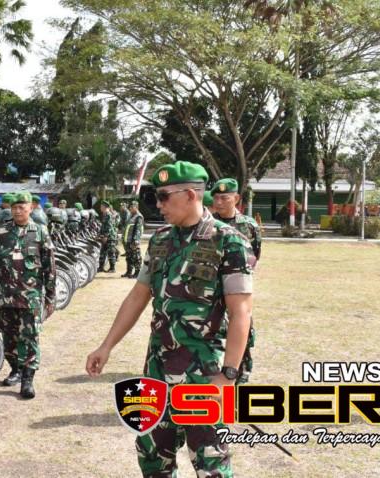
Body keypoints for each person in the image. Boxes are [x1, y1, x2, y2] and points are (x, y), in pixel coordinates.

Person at [86, 161, 255, 478]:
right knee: (151, 454)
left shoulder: (229, 242)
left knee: (210, 463)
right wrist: (106, 346)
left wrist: (228, 375)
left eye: (163, 196)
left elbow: (241, 312)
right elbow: (138, 295)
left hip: (204, 374)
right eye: (155, 196)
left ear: (191, 195)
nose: (158, 204)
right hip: (158, 369)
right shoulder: (161, 239)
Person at [0, 191, 56, 399]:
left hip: (30, 296)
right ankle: (15, 369)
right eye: (14, 207)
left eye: (21, 207)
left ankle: (27, 380)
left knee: (29, 337)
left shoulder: (40, 232)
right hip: (6, 296)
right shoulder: (1, 232)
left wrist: (50, 296)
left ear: (30, 208)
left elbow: (49, 266)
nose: (17, 211)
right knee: (9, 337)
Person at [211, 178, 262, 261]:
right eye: (216, 198)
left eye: (224, 198)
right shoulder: (207, 222)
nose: (219, 202)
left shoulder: (250, 225)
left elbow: (255, 255)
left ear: (236, 199)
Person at [121, 200, 144, 278]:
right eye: (130, 207)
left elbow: (138, 230)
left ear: (136, 207)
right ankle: (129, 271)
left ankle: (137, 273)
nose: (130, 208)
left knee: (136, 257)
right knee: (129, 257)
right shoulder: (131, 215)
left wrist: (135, 241)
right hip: (128, 241)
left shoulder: (138, 217)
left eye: (132, 207)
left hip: (133, 241)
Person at [97, 200, 118, 273]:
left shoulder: (109, 214)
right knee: (102, 252)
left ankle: (112, 268)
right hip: (105, 237)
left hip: (110, 237)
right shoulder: (105, 214)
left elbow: (109, 227)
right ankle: (101, 267)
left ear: (104, 207)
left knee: (111, 252)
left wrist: (105, 236)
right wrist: (100, 235)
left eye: (101, 206)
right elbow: (103, 226)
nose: (100, 208)